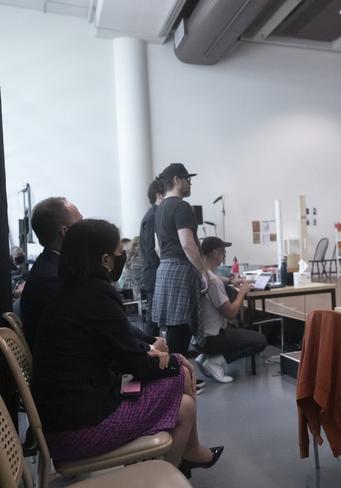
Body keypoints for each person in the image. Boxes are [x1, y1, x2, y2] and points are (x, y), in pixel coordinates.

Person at [30, 219, 221, 476]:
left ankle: (178, 460)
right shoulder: (97, 293)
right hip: (79, 430)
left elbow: (117, 349)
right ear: (106, 260)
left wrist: (149, 354)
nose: (124, 258)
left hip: (64, 421)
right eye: (120, 254)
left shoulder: (70, 291)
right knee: (181, 386)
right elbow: (137, 363)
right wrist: (175, 359)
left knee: (179, 389)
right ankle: (165, 474)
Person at [152, 163, 218, 355]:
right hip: (181, 267)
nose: (190, 184)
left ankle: (177, 376)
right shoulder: (181, 206)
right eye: (187, 179)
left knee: (174, 327)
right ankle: (177, 378)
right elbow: (188, 244)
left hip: (164, 267)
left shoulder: (160, 208)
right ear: (176, 180)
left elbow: (157, 247)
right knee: (181, 327)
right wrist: (202, 270)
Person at [197, 237, 267, 383]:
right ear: (215, 253)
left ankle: (204, 357)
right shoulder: (214, 282)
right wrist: (242, 292)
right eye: (223, 252)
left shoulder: (201, 275)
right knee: (259, 341)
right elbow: (230, 313)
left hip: (199, 338)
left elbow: (216, 279)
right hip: (213, 338)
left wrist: (231, 281)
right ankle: (214, 361)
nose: (225, 255)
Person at [20, 197, 82, 348]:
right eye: (81, 223)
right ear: (65, 232)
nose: (87, 229)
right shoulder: (53, 278)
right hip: (65, 367)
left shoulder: (52, 266)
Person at [140, 178, 164, 336]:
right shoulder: (153, 216)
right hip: (154, 275)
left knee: (155, 318)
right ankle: (149, 354)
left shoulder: (155, 214)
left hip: (155, 273)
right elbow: (151, 250)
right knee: (154, 319)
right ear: (158, 195)